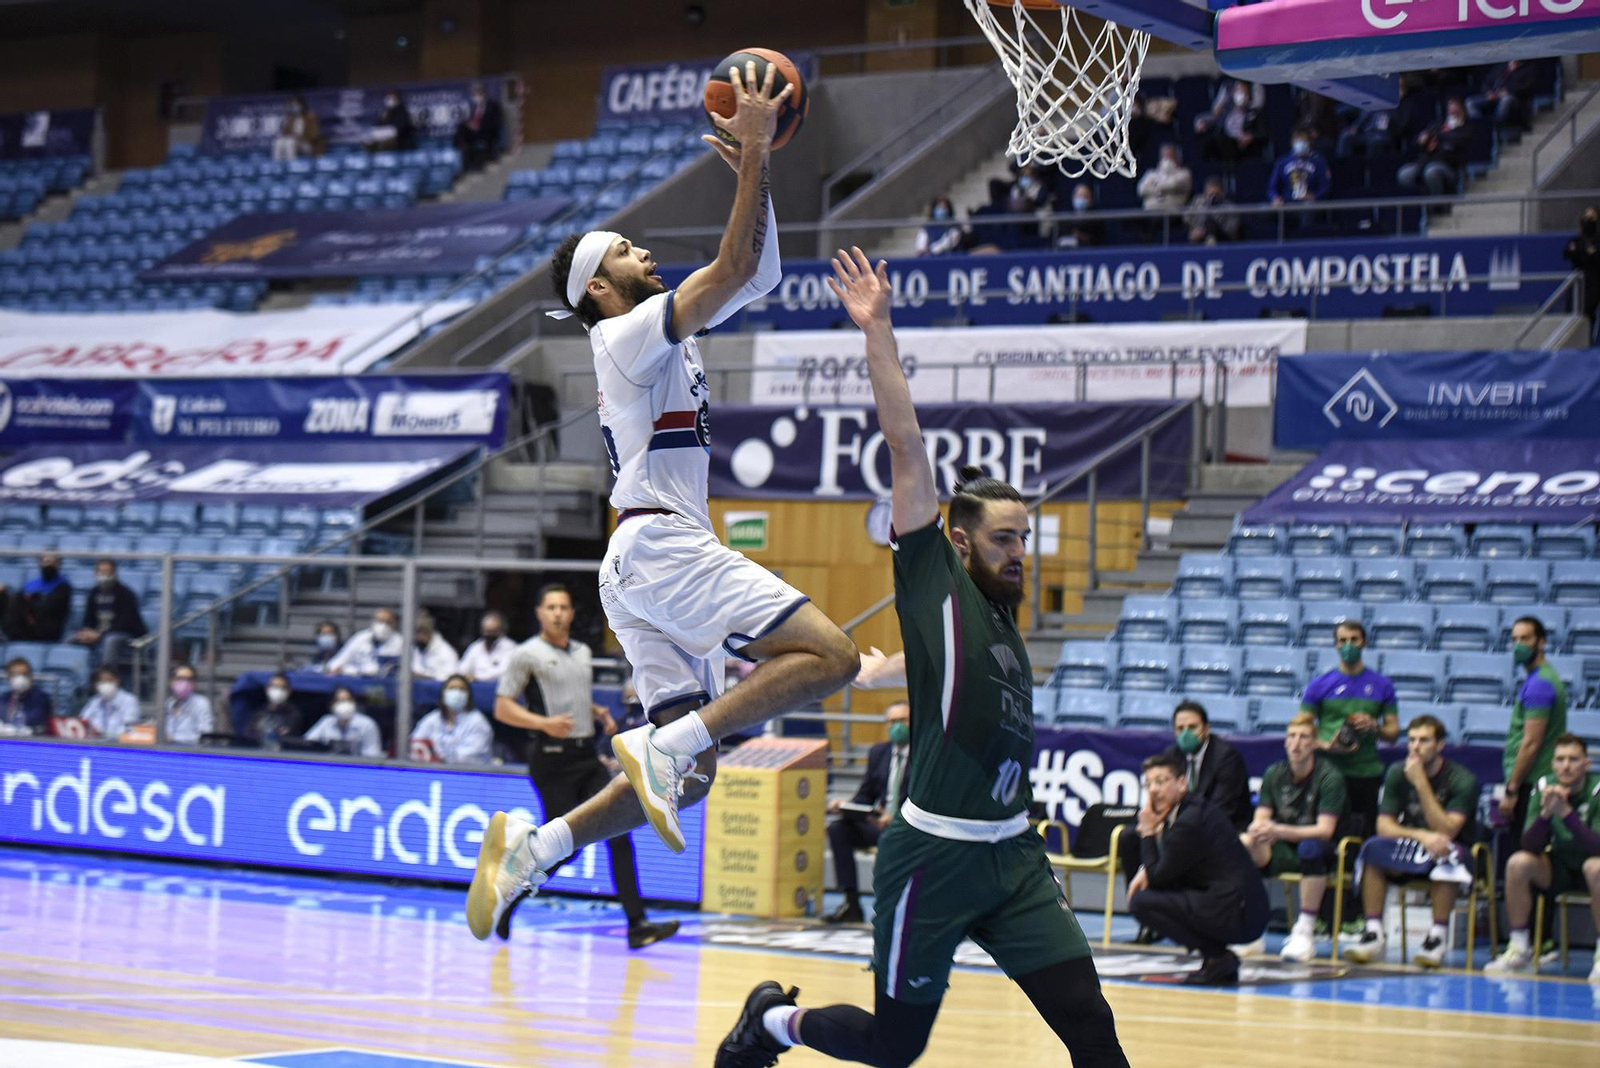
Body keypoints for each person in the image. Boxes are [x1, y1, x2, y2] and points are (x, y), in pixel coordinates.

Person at [464, 62, 862, 943]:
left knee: (695, 775)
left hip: (638, 564)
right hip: (660, 547)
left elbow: (755, 274)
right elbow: (734, 264)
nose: (643, 253)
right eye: (624, 252)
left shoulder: (652, 331)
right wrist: (755, 151)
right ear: (599, 289)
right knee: (830, 656)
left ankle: (534, 849)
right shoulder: (623, 330)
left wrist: (756, 168)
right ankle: (663, 744)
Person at [713, 249, 1127, 1067]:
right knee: (895, 1047)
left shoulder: (1001, 621)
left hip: (1013, 855)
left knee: (1090, 1021)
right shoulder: (933, 577)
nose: (1019, 554)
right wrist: (878, 330)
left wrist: (891, 670)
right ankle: (772, 1025)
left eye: (1025, 539)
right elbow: (905, 446)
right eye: (1003, 540)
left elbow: (950, 672)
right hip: (934, 856)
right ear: (959, 542)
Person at [489, 583, 678, 949]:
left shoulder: (581, 652)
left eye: (564, 607)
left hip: (586, 756)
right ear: (539, 613)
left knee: (619, 833)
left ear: (572, 613)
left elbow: (572, 693)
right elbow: (502, 706)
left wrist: (596, 711)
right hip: (552, 760)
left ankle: (637, 924)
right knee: (564, 846)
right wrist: (543, 723)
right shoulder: (526, 655)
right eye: (551, 607)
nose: (558, 613)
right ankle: (506, 900)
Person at [1342, 715, 1479, 967]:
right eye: (1412, 740)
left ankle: (1437, 938)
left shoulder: (1462, 779)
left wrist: (1421, 783)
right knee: (1373, 847)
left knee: (1447, 853)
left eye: (1424, 740)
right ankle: (1373, 933)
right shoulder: (1397, 772)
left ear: (1440, 745)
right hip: (1416, 843)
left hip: (1454, 850)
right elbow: (1384, 826)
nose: (1415, 747)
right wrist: (1422, 836)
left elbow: (1447, 830)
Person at [1127, 752, 1269, 986]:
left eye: (1161, 781)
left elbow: (1159, 878)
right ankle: (1216, 959)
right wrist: (1148, 867)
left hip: (1237, 911)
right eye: (1148, 784)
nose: (1153, 790)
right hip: (1237, 905)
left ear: (1182, 783)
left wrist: (1148, 832)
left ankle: (1218, 957)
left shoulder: (1189, 821)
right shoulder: (1191, 810)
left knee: (1142, 902)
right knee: (1152, 893)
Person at [1486, 734, 1600, 980]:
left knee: (1596, 867)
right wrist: (1546, 814)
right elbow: (1529, 844)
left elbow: (1597, 846)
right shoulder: (1544, 785)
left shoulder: (1597, 789)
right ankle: (1519, 949)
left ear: (1586, 764)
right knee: (1518, 863)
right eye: (1560, 759)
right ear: (1552, 764)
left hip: (1592, 867)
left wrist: (1567, 814)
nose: (1566, 766)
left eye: (1573, 759)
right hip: (1558, 866)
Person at [1241, 713, 1348, 963]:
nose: (1296, 743)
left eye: (1304, 737)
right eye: (1292, 736)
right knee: (1245, 844)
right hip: (1283, 844)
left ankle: (1305, 931)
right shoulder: (1274, 773)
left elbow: (1325, 830)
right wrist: (1257, 831)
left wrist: (1278, 830)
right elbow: (1261, 818)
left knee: (1311, 848)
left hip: (1324, 848)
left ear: (1314, 743)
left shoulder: (1330, 777)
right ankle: (1250, 929)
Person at [1299, 619, 1399, 838]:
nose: (1348, 645)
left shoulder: (1382, 685)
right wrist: (1325, 745)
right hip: (1327, 771)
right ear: (1336, 644)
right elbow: (1300, 727)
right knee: (1326, 835)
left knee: (1363, 835)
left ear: (1364, 643)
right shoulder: (1320, 684)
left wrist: (1375, 727)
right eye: (1343, 640)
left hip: (1366, 773)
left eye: (1354, 640)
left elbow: (1393, 734)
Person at [821, 700, 911, 925]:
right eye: (891, 722)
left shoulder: (925, 754)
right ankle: (851, 904)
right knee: (838, 829)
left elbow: (926, 797)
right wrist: (846, 806)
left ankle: (890, 909)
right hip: (880, 825)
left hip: (909, 826)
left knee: (892, 838)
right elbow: (865, 795)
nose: (896, 727)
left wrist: (897, 817)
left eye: (902, 721)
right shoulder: (879, 752)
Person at [1501, 615, 1569, 834]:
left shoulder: (1539, 684)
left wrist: (1512, 789)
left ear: (1541, 642)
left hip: (1532, 784)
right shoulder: (1539, 678)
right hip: (1533, 781)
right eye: (1514, 639)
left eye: (1525, 638)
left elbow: (1531, 743)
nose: (1518, 645)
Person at [71, 558, 146, 668]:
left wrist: (100, 634)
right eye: (101, 572)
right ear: (95, 574)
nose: (104, 576)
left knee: (110, 640)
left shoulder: (126, 594)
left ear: (115, 574)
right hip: (99, 633)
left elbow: (125, 623)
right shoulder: (93, 593)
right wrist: (87, 631)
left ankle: (106, 673)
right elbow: (88, 618)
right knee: (71, 638)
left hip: (125, 634)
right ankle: (80, 673)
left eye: (107, 572)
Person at [1398, 97, 1473, 198]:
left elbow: (1456, 141)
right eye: (1451, 108)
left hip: (1449, 166)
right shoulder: (1437, 125)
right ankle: (1420, 201)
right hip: (1425, 161)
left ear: (1462, 110)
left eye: (1456, 109)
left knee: (1431, 171)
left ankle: (1438, 203)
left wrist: (1438, 137)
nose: (1453, 111)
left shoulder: (1465, 128)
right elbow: (1420, 139)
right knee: (1404, 174)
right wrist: (1422, 140)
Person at [412, 674, 495, 765]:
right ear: (443, 694)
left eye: (462, 689)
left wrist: (435, 757)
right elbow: (415, 744)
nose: (457, 692)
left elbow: (467, 757)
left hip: (470, 772)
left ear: (468, 695)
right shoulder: (433, 718)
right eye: (452, 688)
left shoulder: (478, 722)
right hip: (434, 770)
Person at [0, 553, 71, 642]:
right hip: (24, 624)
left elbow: (49, 608)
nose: (49, 565)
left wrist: (32, 598)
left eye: (52, 562)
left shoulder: (63, 587)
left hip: (45, 629)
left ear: (58, 565)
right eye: (46, 562)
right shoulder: (31, 584)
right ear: (40, 563)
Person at [1196, 79, 1266, 165]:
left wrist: (1250, 136)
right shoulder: (1226, 110)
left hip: (1242, 145)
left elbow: (1263, 132)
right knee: (1207, 141)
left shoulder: (1254, 113)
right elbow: (1215, 118)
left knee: (1226, 145)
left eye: (1243, 91)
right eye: (1238, 90)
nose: (1240, 94)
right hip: (1225, 141)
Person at [302, 687, 383, 757]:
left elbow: (372, 755)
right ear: (332, 705)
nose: (344, 704)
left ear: (354, 702)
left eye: (347, 700)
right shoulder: (326, 721)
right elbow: (307, 743)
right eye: (339, 701)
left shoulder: (367, 724)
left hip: (357, 767)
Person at [325, 608, 404, 676]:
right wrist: (345, 669)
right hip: (358, 684)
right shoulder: (360, 638)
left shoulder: (400, 642)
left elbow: (414, 669)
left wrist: (349, 670)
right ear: (373, 622)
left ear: (395, 624)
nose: (383, 626)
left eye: (388, 622)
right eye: (380, 621)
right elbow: (335, 664)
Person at [1466, 59, 1538, 131]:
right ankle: (1480, 126)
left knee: (1506, 99)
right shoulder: (1500, 67)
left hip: (1513, 96)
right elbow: (1486, 82)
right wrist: (1488, 92)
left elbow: (1526, 87)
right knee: (1470, 102)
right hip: (1493, 95)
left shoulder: (1527, 69)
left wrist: (1508, 91)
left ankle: (1498, 125)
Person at [1562, 205, 1600, 343]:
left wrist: (1589, 254)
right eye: (1586, 217)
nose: (1588, 220)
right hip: (1578, 283)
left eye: (1592, 217)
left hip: (1594, 283)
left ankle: (1589, 342)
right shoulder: (1576, 240)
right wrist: (1585, 253)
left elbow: (1594, 256)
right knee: (1572, 311)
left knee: (1588, 313)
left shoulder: (1598, 241)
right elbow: (1568, 253)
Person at [1267, 126, 1330, 207]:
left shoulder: (1319, 161)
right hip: (1287, 204)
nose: (1299, 143)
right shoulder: (1282, 162)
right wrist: (1275, 197)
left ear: (1309, 142)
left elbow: (1325, 186)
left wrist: (1314, 196)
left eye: (1303, 140)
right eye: (1296, 140)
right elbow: (1272, 187)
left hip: (1310, 205)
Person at [244, 673, 303, 749]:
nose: (278, 691)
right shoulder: (258, 714)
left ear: (289, 690)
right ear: (267, 689)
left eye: (282, 688)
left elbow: (289, 739)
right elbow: (248, 736)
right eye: (274, 687)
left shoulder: (294, 715)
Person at [453, 81, 503, 171]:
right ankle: (463, 148)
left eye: (477, 92)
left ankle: (468, 150)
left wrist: (479, 127)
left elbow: (495, 123)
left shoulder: (493, 105)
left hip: (487, 132)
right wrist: (471, 125)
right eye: (474, 93)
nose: (475, 95)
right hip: (476, 132)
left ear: (483, 92)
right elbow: (474, 119)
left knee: (469, 134)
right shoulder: (476, 106)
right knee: (462, 127)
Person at [80, 667, 139, 738]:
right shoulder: (95, 701)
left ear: (117, 681)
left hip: (118, 744)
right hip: (94, 743)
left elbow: (129, 730)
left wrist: (102, 734)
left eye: (109, 680)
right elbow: (82, 722)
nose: (105, 684)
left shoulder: (129, 701)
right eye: (101, 681)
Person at [163, 663, 214, 744]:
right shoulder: (168, 703)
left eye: (188, 679)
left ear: (194, 684)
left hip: (191, 750)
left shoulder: (201, 703)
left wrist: (175, 739)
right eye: (180, 678)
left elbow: (205, 735)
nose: (184, 683)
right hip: (167, 749)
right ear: (171, 682)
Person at [457, 611, 515, 681]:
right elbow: (462, 669)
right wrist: (465, 676)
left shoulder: (510, 647)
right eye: (486, 631)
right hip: (476, 685)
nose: (488, 634)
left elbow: (504, 672)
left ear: (501, 631)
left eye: (493, 631)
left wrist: (477, 677)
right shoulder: (475, 647)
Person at [1136, 142, 1192, 213]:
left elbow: (1174, 185)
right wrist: (1161, 188)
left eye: (1170, 157)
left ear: (1176, 158)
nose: (1166, 161)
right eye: (1164, 157)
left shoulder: (1184, 173)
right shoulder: (1151, 174)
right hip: (1151, 214)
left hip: (1174, 214)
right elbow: (1141, 189)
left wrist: (1155, 185)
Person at [1, 657, 52, 734]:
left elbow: (34, 719)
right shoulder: (3, 699)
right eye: (15, 675)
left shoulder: (41, 698)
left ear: (30, 675)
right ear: (8, 677)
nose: (20, 678)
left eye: (24, 674)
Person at [1185, 176, 1241, 245]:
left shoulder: (1230, 208)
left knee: (1211, 223)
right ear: (1205, 195)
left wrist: (1211, 230)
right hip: (1201, 242)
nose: (1213, 198)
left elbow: (1232, 231)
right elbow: (1189, 222)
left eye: (1216, 194)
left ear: (1223, 194)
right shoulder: (1198, 205)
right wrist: (1195, 232)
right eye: (1211, 194)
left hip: (1223, 241)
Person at [272, 93, 322, 162]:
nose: (294, 107)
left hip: (307, 144)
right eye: (292, 105)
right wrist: (286, 129)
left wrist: (299, 136)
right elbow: (285, 132)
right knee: (278, 142)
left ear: (302, 105)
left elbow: (314, 135)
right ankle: (277, 164)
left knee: (290, 142)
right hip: (294, 141)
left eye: (296, 105)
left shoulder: (310, 116)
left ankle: (292, 164)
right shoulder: (291, 117)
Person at [411, 609, 459, 680]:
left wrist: (425, 677)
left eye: (420, 633)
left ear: (428, 633)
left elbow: (451, 679)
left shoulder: (447, 652)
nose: (417, 637)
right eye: (416, 633)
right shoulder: (416, 649)